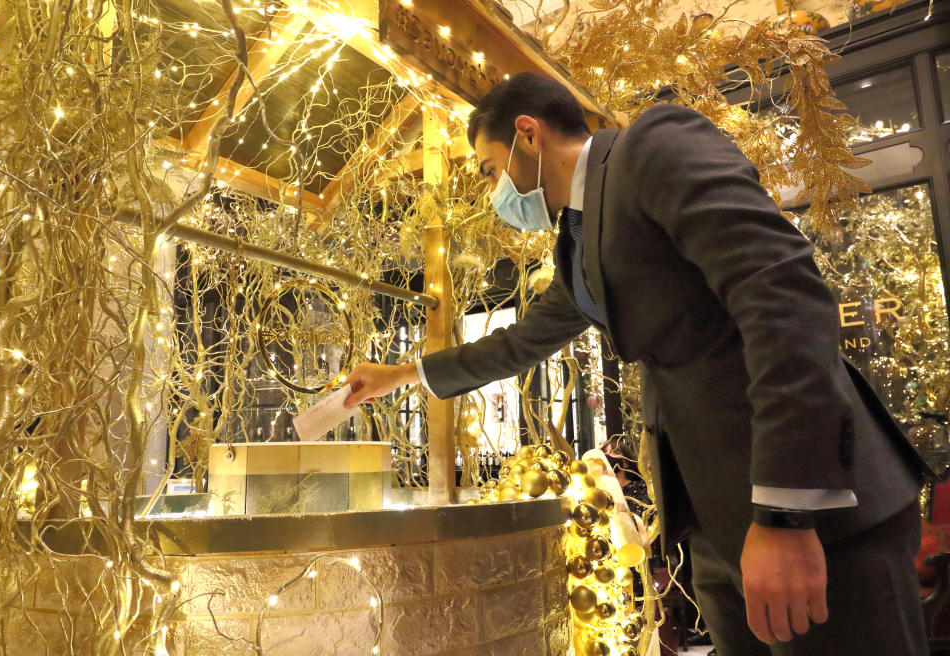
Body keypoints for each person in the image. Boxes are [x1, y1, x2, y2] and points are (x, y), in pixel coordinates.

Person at [342, 72, 932, 655]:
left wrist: (786, 514)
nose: (495, 192)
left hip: (816, 515)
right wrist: (403, 375)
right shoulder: (578, 237)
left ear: (528, 134)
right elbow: (519, 342)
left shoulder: (653, 144)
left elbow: (784, 298)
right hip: (720, 526)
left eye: (489, 170)